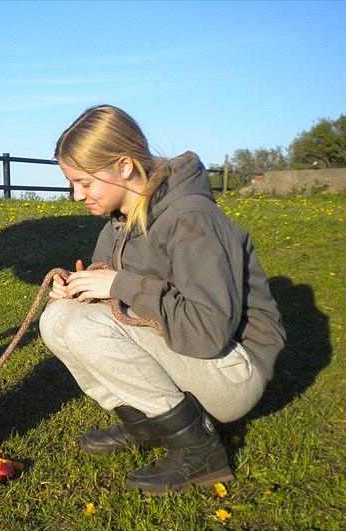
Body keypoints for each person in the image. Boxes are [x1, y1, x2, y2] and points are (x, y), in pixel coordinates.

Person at [39, 105, 286, 495]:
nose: (76, 195)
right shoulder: (117, 225)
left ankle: (200, 451)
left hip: (234, 371)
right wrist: (80, 291)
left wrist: (119, 284)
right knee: (58, 317)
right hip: (190, 354)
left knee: (77, 324)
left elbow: (209, 333)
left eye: (85, 183)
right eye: (72, 183)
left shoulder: (193, 218)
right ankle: (145, 422)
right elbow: (119, 298)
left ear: (123, 166)